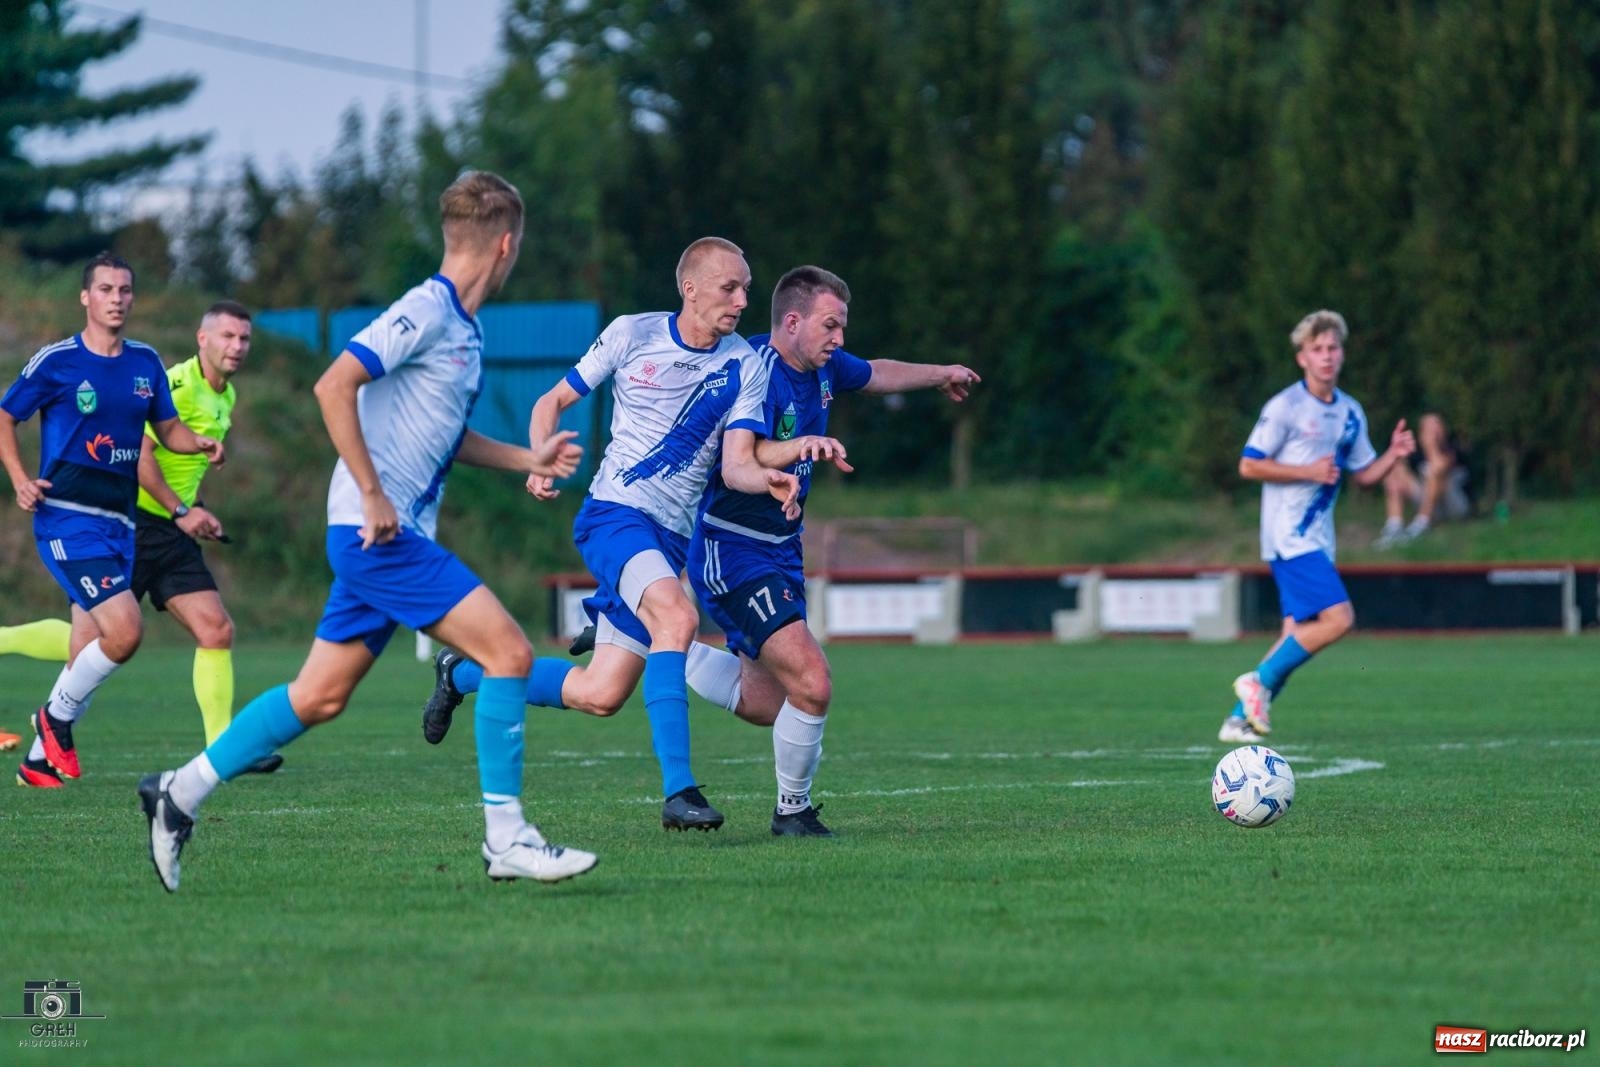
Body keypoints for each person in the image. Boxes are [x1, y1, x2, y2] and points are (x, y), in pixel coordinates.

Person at [137, 171, 596, 892]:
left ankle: (178, 792)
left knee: (319, 695)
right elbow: (333, 384)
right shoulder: (428, 308)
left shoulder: (464, 331)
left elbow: (444, 432)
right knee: (507, 650)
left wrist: (523, 458)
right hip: (375, 533)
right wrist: (376, 494)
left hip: (380, 535)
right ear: (506, 245)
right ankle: (507, 837)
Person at [421, 236, 800, 833]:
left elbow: (735, 464)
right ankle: (680, 793)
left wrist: (767, 478)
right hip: (615, 514)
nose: (742, 300)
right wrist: (539, 456)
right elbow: (554, 399)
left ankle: (460, 673)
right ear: (691, 288)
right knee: (675, 619)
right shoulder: (632, 333)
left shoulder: (744, 364)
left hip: (669, 538)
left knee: (599, 694)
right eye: (731, 287)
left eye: (747, 289)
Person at [682, 265, 980, 836]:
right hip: (732, 547)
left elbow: (875, 373)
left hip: (781, 551)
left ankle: (654, 645)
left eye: (841, 328)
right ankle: (792, 813)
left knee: (769, 702)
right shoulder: (750, 369)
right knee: (813, 683)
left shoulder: (822, 367)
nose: (839, 339)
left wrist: (939, 373)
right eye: (831, 325)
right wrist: (801, 445)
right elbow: (739, 456)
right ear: (792, 322)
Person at [2, 302, 281, 774]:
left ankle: (223, 749)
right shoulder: (175, 381)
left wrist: (197, 510)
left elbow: (182, 461)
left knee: (215, 628)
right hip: (140, 521)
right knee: (89, 644)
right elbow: (143, 456)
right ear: (202, 339)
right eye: (228, 337)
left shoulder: (225, 396)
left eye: (244, 339)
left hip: (170, 530)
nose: (236, 347)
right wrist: (179, 509)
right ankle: (38, 739)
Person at [1219, 309, 1415, 744]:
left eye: (1333, 348)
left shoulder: (1350, 412)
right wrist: (1306, 472)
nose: (1327, 356)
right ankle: (1256, 682)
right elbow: (1249, 465)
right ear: (1302, 358)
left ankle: (1239, 719)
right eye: (1317, 349)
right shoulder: (1285, 407)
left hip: (1318, 540)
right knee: (1340, 618)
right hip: (1289, 535)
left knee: (1297, 633)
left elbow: (1363, 474)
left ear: (1342, 354)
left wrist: (1393, 456)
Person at [1375, 412, 1471, 547]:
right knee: (1393, 468)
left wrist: (1430, 446)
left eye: (1436, 426)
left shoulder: (1452, 448)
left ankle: (1422, 525)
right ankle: (1394, 527)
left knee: (1434, 472)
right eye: (1428, 427)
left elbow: (1439, 467)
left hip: (1454, 506)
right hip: (1428, 502)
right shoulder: (1416, 453)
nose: (1433, 432)